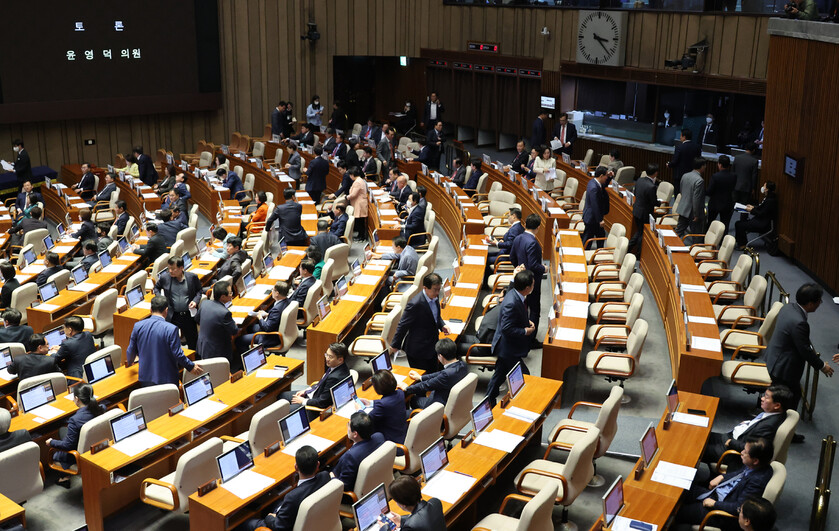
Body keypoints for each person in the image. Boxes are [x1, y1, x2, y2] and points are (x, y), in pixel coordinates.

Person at [675, 439, 774, 529]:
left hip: (721, 511)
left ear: (755, 460)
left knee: (678, 511)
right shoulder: (757, 465)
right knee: (680, 488)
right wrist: (722, 476)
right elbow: (739, 473)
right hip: (718, 493)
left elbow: (738, 507)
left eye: (745, 452)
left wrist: (714, 504)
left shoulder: (757, 482)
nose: (742, 452)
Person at [766, 283, 836, 413]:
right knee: (788, 399)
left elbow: (798, 339)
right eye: (819, 301)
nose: (820, 303)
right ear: (810, 304)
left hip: (774, 358)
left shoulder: (789, 307)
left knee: (779, 395)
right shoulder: (800, 322)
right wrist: (822, 366)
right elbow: (804, 350)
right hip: (783, 368)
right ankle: (782, 429)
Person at [243, 445, 330, 531]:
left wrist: (270, 517)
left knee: (246, 523)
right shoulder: (325, 476)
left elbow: (279, 527)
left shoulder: (292, 497)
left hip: (286, 524)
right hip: (314, 521)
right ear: (318, 465)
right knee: (271, 504)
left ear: (296, 467)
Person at [703, 385, 793, 465]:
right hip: (731, 437)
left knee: (696, 449)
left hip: (732, 451)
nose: (762, 399)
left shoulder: (768, 426)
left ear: (777, 405)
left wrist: (731, 442)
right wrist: (748, 424)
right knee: (700, 435)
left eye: (766, 397)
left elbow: (753, 449)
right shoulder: (777, 414)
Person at [126, 296, 203, 386]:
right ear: (166, 310)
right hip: (167, 379)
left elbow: (130, 350)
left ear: (150, 310)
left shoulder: (137, 326)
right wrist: (190, 366)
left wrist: (130, 361)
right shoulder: (171, 329)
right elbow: (178, 354)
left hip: (145, 377)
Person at [485, 270, 536, 406]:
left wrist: (526, 322)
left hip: (508, 347)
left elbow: (514, 319)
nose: (533, 286)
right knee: (525, 375)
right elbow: (506, 329)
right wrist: (525, 331)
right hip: (507, 348)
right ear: (527, 288)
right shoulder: (511, 303)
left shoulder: (515, 292)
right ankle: (522, 403)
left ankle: (488, 402)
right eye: (532, 284)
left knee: (498, 376)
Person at [46, 383, 104, 487]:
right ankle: (64, 477)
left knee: (58, 446)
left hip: (80, 454)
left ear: (77, 399)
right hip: (98, 445)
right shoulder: (101, 408)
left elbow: (67, 445)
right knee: (62, 430)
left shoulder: (75, 420)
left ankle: (64, 477)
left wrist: (51, 442)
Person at [390, 274, 449, 372]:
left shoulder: (435, 296)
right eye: (435, 289)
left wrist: (442, 325)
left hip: (432, 345)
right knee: (421, 379)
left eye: (439, 289)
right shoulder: (415, 304)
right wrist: (395, 345)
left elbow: (435, 315)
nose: (438, 292)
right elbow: (403, 325)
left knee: (433, 373)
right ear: (425, 288)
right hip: (418, 350)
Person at [286, 343, 351, 417]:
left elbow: (322, 403)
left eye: (330, 357)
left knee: (285, 410)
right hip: (314, 393)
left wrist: (303, 401)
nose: (327, 358)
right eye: (326, 354)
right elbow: (321, 384)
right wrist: (306, 391)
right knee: (282, 395)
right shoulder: (339, 366)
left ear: (340, 360)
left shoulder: (335, 378)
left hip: (313, 407)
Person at [400, 338, 467, 409]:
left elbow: (426, 385)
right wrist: (420, 377)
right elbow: (439, 374)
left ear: (440, 356)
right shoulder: (462, 365)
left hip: (439, 405)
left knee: (413, 400)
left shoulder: (446, 375)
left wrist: (407, 388)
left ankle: (421, 417)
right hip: (453, 400)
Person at [509, 215, 546, 344]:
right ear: (538, 227)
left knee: (523, 307)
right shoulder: (533, 243)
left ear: (525, 224)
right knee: (534, 309)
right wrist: (544, 269)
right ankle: (531, 340)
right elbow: (533, 265)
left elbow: (512, 257)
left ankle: (524, 333)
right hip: (531, 281)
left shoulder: (519, 237)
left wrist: (519, 271)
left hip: (520, 279)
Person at [154, 256, 202, 350]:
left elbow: (199, 291)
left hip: (188, 315)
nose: (170, 271)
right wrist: (160, 298)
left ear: (181, 268)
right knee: (171, 341)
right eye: (169, 268)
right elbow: (156, 288)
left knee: (192, 341)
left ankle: (195, 361)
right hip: (173, 315)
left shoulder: (192, 277)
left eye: (173, 269)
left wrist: (195, 301)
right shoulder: (165, 277)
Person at [330, 411, 384, 491]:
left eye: (348, 425)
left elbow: (345, 487)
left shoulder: (351, 456)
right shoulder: (379, 437)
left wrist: (332, 477)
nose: (347, 427)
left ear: (355, 434)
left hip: (350, 493)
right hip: (376, 480)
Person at [237, 281, 292, 353]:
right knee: (249, 327)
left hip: (271, 337)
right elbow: (278, 316)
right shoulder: (287, 301)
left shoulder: (276, 309)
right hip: (278, 328)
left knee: (239, 340)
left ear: (277, 293)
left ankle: (250, 361)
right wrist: (267, 314)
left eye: (273, 290)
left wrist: (259, 316)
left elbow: (267, 328)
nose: (272, 291)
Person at [359, 370, 407, 445]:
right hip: (403, 435)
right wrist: (371, 402)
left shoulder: (382, 405)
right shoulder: (400, 393)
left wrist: (359, 409)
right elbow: (389, 401)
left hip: (392, 443)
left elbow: (366, 420)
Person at [196, 280, 238, 368]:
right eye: (230, 293)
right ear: (223, 297)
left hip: (203, 345)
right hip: (217, 351)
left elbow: (197, 319)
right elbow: (234, 330)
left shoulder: (205, 303)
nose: (232, 295)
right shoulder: (224, 313)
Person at [628, 163, 660, 257]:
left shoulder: (640, 180)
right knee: (641, 233)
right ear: (655, 173)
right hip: (644, 213)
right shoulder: (651, 186)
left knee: (639, 231)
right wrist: (659, 203)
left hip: (637, 210)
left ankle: (628, 248)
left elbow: (636, 193)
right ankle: (638, 255)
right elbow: (653, 202)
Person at [734, 181, 778, 249]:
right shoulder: (768, 197)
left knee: (739, 225)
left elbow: (761, 213)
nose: (763, 187)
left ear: (767, 189)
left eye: (764, 186)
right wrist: (753, 207)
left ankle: (742, 244)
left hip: (762, 224)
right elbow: (761, 208)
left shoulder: (770, 200)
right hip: (759, 220)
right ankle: (740, 242)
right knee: (739, 223)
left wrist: (751, 210)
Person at [675, 158, 707, 244]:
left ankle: (670, 248)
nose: (705, 167)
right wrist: (696, 214)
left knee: (678, 231)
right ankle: (695, 254)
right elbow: (696, 199)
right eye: (704, 165)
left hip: (683, 208)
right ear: (701, 167)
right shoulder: (699, 180)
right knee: (696, 236)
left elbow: (681, 191)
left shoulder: (685, 175)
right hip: (693, 212)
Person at [582, 167, 611, 250]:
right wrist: (600, 220)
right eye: (606, 176)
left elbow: (604, 184)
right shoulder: (594, 188)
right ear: (601, 176)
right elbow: (595, 205)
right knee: (587, 239)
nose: (606, 177)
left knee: (600, 235)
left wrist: (609, 177)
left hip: (593, 217)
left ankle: (599, 252)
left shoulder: (593, 182)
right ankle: (584, 256)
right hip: (592, 218)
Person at [706, 155, 736, 232]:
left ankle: (707, 240)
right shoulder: (734, 176)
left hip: (715, 203)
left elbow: (709, 191)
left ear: (720, 164)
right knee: (725, 224)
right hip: (728, 203)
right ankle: (723, 241)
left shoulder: (715, 176)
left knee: (710, 223)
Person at [669, 128, 702, 194]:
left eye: (681, 136)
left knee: (678, 193)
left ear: (684, 137)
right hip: (692, 174)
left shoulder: (679, 147)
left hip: (679, 175)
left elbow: (675, 161)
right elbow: (698, 160)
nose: (680, 137)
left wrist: (669, 164)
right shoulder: (697, 147)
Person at [348, 169, 369, 241]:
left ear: (352, 175)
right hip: (359, 202)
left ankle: (361, 236)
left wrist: (347, 197)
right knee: (360, 220)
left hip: (359, 203)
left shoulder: (357, 182)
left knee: (359, 220)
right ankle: (360, 235)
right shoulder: (360, 180)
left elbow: (353, 194)